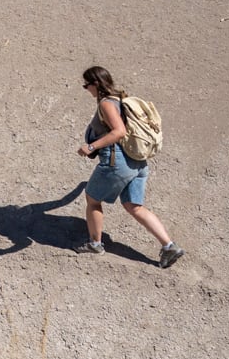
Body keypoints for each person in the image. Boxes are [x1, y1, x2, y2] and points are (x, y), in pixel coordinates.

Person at [76, 65, 185, 267]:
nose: (86, 89)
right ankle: (169, 246)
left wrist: (91, 146)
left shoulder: (106, 104)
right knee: (134, 207)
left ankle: (95, 244)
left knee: (92, 199)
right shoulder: (120, 99)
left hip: (117, 162)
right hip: (137, 161)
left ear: (96, 83)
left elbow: (119, 132)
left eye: (86, 85)